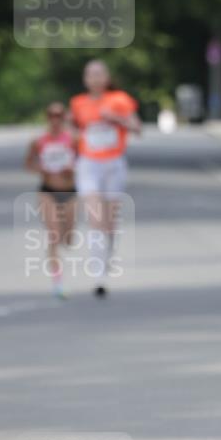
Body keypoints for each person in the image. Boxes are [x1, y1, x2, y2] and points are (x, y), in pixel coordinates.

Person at [68, 60, 141, 297]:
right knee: (95, 218)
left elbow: (137, 128)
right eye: (90, 74)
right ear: (85, 79)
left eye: (99, 74)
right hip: (88, 164)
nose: (95, 78)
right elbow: (72, 130)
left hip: (114, 164)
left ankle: (105, 258)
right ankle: (98, 273)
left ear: (107, 77)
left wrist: (116, 119)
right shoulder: (78, 103)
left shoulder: (119, 99)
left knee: (110, 222)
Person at [24, 102, 78, 298]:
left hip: (70, 191)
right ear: (47, 118)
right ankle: (58, 283)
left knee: (68, 239)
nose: (55, 119)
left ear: (64, 118)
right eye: (51, 115)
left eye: (59, 115)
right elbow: (28, 163)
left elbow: (85, 161)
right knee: (54, 236)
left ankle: (65, 245)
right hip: (47, 191)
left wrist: (73, 169)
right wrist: (41, 169)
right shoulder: (38, 141)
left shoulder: (73, 139)